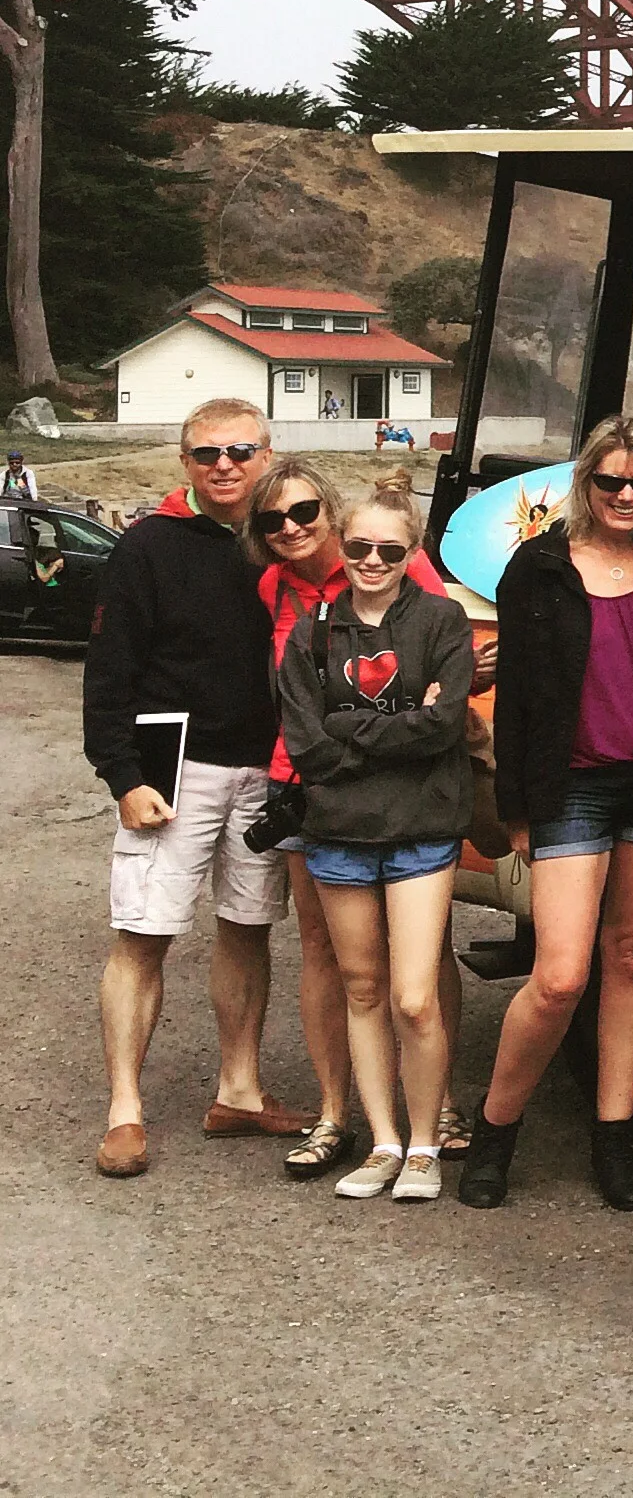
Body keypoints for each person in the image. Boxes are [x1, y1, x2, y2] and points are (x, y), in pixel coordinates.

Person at [459, 415, 633, 1212]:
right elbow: (515, 695)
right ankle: (496, 1129)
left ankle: (612, 1135)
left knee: (632, 958)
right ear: (585, 483)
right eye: (610, 481)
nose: (626, 495)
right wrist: (516, 807)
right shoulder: (541, 566)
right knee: (559, 976)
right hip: (572, 786)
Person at [83, 398, 306, 1178]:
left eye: (241, 452)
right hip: (171, 769)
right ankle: (125, 1111)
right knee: (143, 934)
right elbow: (109, 671)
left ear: (267, 454)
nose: (224, 465)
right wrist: (122, 775)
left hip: (265, 768)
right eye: (206, 452)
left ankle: (239, 1091)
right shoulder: (147, 546)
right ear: (184, 461)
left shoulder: (287, 538)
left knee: (247, 927)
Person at [246, 453, 477, 1180]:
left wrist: (352, 728)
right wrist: (401, 723)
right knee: (361, 986)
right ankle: (381, 1139)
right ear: (341, 546)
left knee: (415, 994)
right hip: (336, 830)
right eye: (359, 548)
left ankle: (427, 1140)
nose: (372, 560)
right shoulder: (311, 630)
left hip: (418, 829)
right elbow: (305, 744)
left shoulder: (440, 619)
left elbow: (445, 729)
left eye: (390, 550)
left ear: (412, 555)